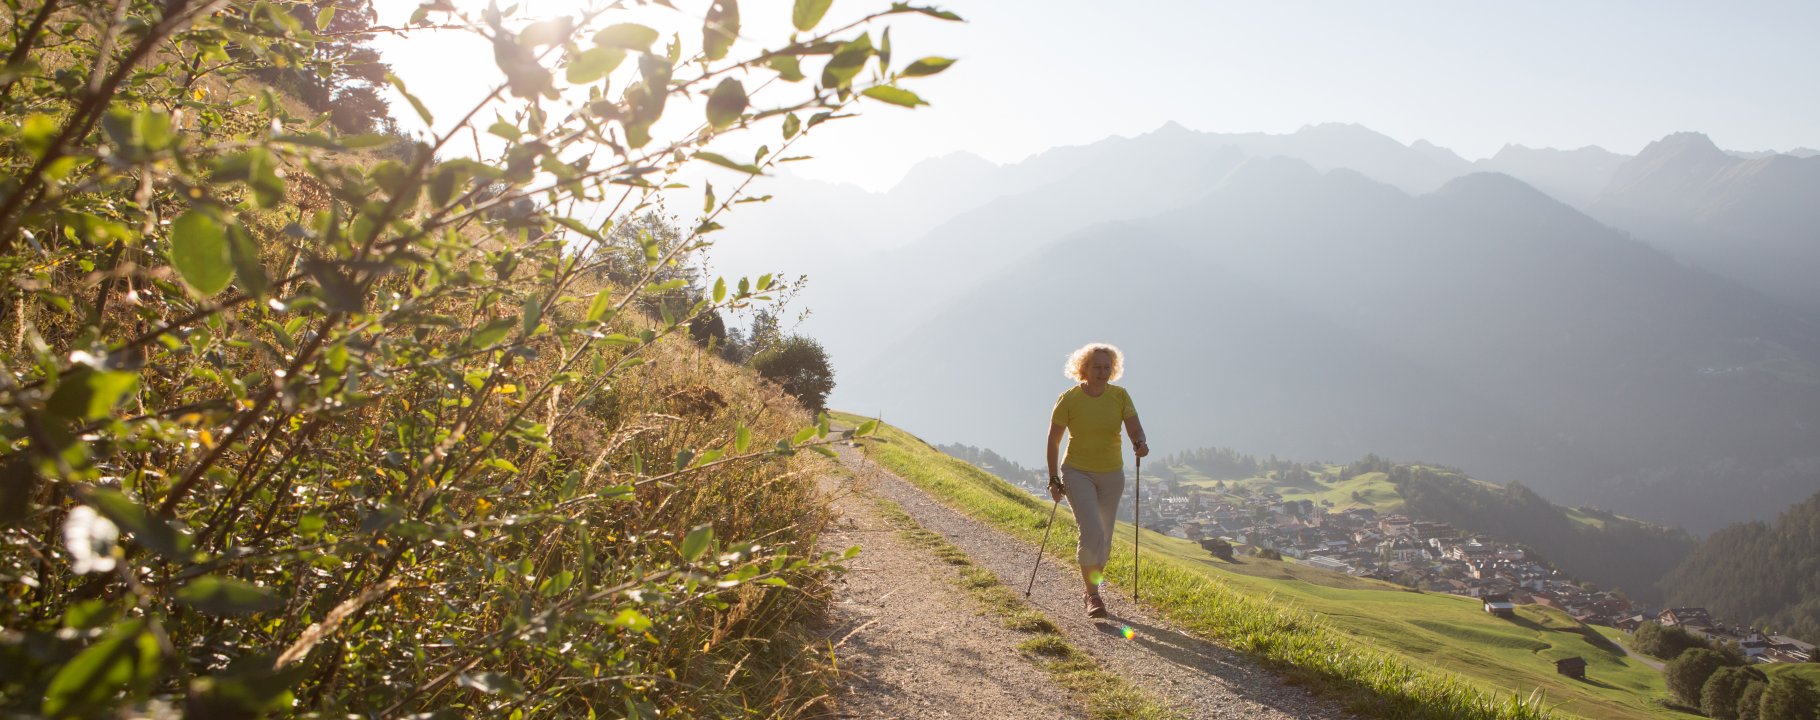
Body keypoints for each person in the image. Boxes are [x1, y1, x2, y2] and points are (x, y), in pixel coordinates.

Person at [1046, 343, 1148, 618]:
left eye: (1107, 367)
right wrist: (1054, 477)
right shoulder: (1069, 399)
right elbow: (1053, 440)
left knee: (1104, 537)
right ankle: (1093, 596)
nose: (1102, 372)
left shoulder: (1120, 396)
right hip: (1077, 471)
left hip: (1112, 474)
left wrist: (1140, 442)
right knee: (1091, 531)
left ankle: (1092, 588)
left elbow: (1134, 427)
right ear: (1084, 369)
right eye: (1097, 367)